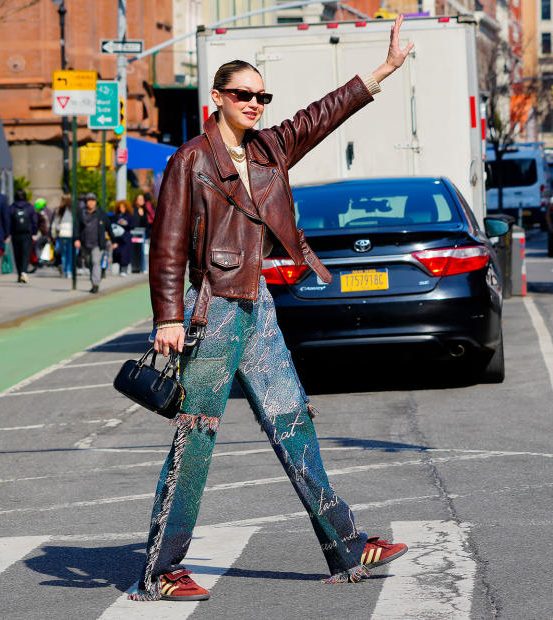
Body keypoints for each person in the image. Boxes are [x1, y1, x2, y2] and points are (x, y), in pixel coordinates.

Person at [131, 16, 414, 602]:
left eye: (263, 96)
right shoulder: (190, 162)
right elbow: (168, 243)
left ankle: (346, 544)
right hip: (212, 312)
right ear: (217, 98)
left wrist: (382, 70)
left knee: (294, 425)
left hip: (256, 306)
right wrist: (167, 317)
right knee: (196, 438)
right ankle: (160, 570)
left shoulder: (270, 148)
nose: (255, 103)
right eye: (244, 94)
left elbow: (323, 112)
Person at [74, 192, 112, 294]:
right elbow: (77, 227)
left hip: (98, 244)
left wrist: (113, 239)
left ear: (95, 202)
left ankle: (96, 283)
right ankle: (93, 282)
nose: (91, 202)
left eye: (92, 200)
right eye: (89, 200)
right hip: (85, 243)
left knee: (96, 262)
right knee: (89, 263)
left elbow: (109, 226)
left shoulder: (101, 213)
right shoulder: (81, 213)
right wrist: (76, 239)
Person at [7, 189, 36, 283]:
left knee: (17, 254)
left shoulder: (12, 207)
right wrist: (34, 232)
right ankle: (24, 271)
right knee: (25, 254)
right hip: (27, 234)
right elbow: (34, 221)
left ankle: (20, 273)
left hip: (15, 234)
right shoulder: (29, 207)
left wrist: (8, 233)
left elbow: (8, 221)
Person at [51, 195, 74, 278]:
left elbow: (55, 223)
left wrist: (53, 232)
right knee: (70, 253)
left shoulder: (60, 210)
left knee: (64, 253)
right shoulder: (72, 210)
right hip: (70, 234)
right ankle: (69, 271)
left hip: (62, 234)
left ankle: (65, 270)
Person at [110, 200, 135, 276]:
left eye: (123, 207)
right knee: (117, 253)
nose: (121, 209)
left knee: (125, 254)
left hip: (126, 238)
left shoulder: (129, 216)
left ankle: (124, 270)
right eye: (120, 207)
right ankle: (119, 269)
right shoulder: (116, 216)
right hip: (118, 238)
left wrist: (125, 224)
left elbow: (132, 226)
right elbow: (112, 225)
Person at [31, 197, 53, 273]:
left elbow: (36, 224)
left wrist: (34, 233)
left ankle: (39, 260)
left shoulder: (40, 212)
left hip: (46, 234)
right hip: (50, 234)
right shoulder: (49, 211)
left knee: (36, 245)